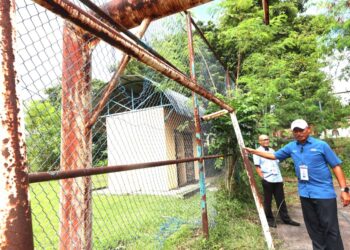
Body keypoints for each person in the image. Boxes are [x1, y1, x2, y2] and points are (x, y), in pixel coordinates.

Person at [246, 119, 350, 250]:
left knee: (330, 228)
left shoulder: (321, 145)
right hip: (305, 194)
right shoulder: (291, 147)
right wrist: (253, 151)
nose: (299, 133)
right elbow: (274, 156)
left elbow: (336, 166)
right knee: (313, 228)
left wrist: (344, 189)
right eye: (295, 131)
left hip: (324, 194)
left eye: (301, 130)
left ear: (308, 129)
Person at [253, 134, 300, 228]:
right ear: (260, 141)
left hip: (277, 179)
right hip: (268, 179)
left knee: (281, 200)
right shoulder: (257, 152)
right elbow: (257, 166)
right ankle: (269, 220)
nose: (266, 141)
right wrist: (263, 177)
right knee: (268, 200)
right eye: (264, 139)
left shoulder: (272, 150)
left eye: (267, 139)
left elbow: (276, 162)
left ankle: (286, 219)